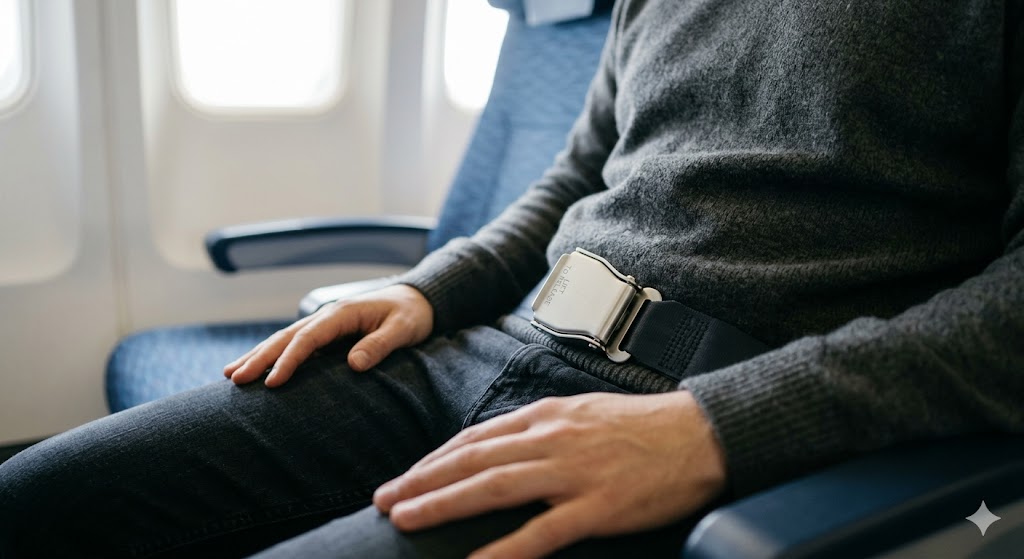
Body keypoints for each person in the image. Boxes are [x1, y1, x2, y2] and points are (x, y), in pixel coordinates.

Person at [2, 0, 1022, 557]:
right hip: (492, 347)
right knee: (33, 500)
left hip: (706, 407)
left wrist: (718, 428)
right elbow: (581, 173)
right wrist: (430, 289)